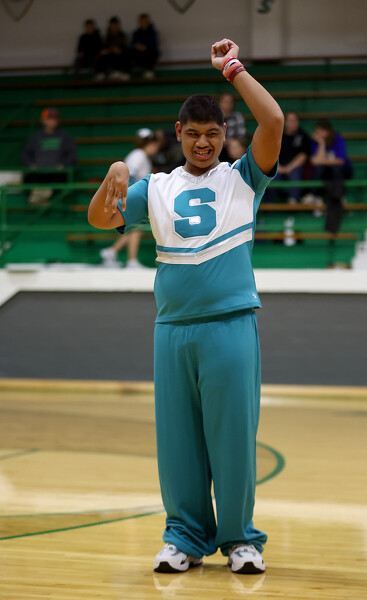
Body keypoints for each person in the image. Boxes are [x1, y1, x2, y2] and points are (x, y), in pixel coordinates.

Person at [88, 37, 283, 574]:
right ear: (178, 133)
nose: (203, 143)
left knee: (233, 439)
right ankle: (184, 538)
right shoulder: (154, 188)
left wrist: (233, 70)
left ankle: (240, 539)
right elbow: (100, 219)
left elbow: (273, 121)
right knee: (178, 444)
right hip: (172, 329)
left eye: (212, 134)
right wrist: (112, 177)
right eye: (194, 133)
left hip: (230, 326)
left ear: (224, 135)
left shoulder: (243, 178)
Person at [99, 129, 160, 269]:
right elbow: (129, 175)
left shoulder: (141, 155)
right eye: (155, 145)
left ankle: (111, 252)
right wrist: (130, 197)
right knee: (136, 228)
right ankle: (130, 260)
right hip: (130, 196)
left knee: (135, 228)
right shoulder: (139, 155)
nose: (156, 149)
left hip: (132, 195)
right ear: (150, 143)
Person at [22, 108, 76, 205]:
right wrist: (30, 164)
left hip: (56, 174)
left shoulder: (64, 136)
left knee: (60, 179)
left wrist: (64, 165)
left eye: (54, 119)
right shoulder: (36, 137)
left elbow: (72, 154)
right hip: (38, 173)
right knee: (29, 178)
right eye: (49, 119)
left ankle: (40, 197)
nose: (52, 121)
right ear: (43, 120)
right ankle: (41, 197)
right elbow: (26, 153)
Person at [308, 119, 353, 234]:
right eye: (316, 131)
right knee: (319, 169)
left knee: (335, 169)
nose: (317, 134)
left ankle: (339, 196)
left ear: (326, 131)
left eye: (319, 131)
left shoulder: (338, 139)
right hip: (325, 172)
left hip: (343, 171)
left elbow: (340, 161)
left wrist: (323, 161)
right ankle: (316, 197)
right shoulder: (316, 142)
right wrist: (322, 144)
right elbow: (314, 162)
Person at [266, 111, 311, 204]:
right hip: (278, 167)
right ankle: (269, 205)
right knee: (272, 175)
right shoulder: (277, 135)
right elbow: (270, 153)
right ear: (285, 122)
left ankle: (293, 201)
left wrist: (289, 167)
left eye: (295, 120)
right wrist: (278, 167)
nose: (293, 123)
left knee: (295, 173)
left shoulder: (303, 136)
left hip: (294, 167)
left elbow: (303, 155)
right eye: (290, 120)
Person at [95, 16, 129, 80]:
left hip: (120, 56)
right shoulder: (107, 37)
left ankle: (121, 73)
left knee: (126, 56)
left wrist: (119, 50)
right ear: (110, 26)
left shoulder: (122, 36)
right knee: (102, 57)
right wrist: (110, 50)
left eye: (116, 25)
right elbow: (104, 47)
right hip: (110, 56)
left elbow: (125, 47)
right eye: (113, 25)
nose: (114, 27)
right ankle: (102, 74)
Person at [130, 13, 160, 79]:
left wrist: (145, 47)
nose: (143, 23)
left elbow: (154, 44)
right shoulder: (136, 33)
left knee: (153, 52)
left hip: (149, 52)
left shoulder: (152, 32)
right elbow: (132, 44)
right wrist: (137, 46)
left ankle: (149, 71)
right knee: (130, 52)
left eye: (145, 22)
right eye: (142, 22)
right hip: (139, 53)